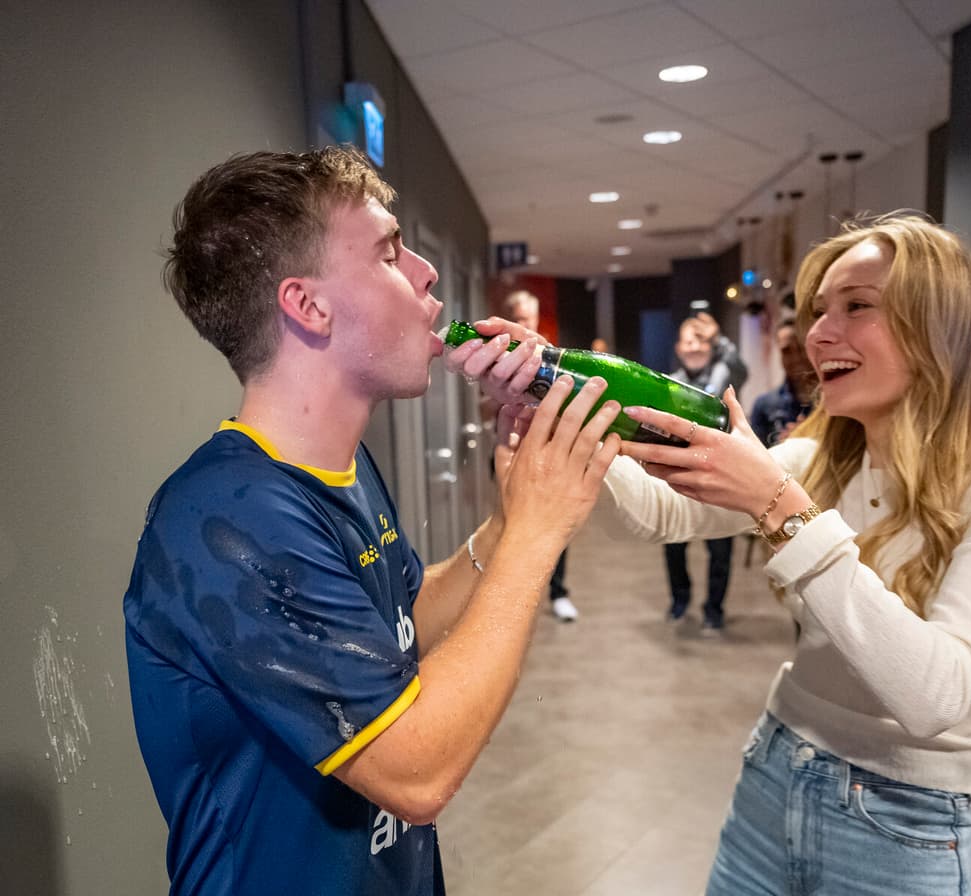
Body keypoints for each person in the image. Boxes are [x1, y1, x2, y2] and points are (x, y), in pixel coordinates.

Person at [122, 146, 620, 896]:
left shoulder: (342, 468)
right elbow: (417, 771)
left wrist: (507, 519)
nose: (426, 273)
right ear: (309, 307)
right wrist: (537, 534)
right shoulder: (228, 517)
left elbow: (398, 622)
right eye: (390, 253)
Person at [596, 213, 971, 894]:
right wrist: (561, 416)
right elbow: (656, 513)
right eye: (819, 310)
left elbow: (935, 695)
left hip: (904, 826)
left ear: (938, 327)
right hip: (773, 777)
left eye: (857, 306)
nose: (818, 334)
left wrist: (779, 507)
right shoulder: (818, 456)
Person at [662, 312, 748, 632]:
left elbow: (741, 367)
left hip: (721, 475)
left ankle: (714, 609)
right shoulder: (668, 382)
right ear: (678, 348)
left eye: (702, 341)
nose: (695, 347)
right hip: (677, 476)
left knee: (720, 548)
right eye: (689, 341)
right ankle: (679, 600)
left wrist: (718, 338)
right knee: (674, 544)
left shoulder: (726, 376)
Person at [501, 289, 578, 622]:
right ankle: (512, 597)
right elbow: (482, 408)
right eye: (517, 318)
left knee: (555, 525)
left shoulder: (554, 360)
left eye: (528, 318)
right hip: (509, 451)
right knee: (510, 526)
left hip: (548, 451)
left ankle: (558, 592)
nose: (524, 324)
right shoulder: (496, 359)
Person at [749, 305, 815, 447]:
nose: (796, 358)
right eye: (787, 351)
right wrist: (785, 446)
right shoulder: (764, 405)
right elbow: (754, 454)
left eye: (802, 348)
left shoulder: (833, 403)